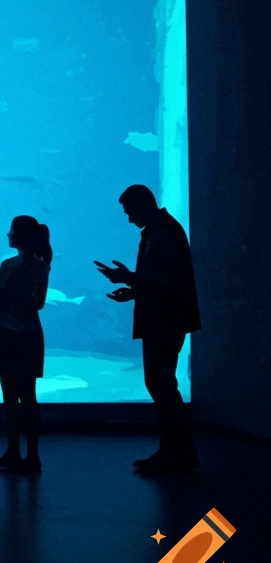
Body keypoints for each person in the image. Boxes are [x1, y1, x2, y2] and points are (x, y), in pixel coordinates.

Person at [95, 184, 201, 474]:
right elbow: (160, 281)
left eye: (130, 212)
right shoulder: (158, 231)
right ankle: (174, 452)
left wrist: (130, 278)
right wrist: (133, 290)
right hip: (160, 319)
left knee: (162, 385)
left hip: (165, 321)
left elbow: (171, 281)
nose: (129, 219)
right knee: (161, 385)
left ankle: (179, 454)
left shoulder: (166, 232)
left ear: (142, 205)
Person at [0, 216, 50, 475]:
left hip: (10, 335)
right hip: (25, 335)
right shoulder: (40, 266)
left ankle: (21, 453)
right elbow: (35, 303)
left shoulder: (11, 266)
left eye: (11, 231)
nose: (7, 234)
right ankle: (25, 454)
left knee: (14, 398)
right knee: (24, 397)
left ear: (19, 236)